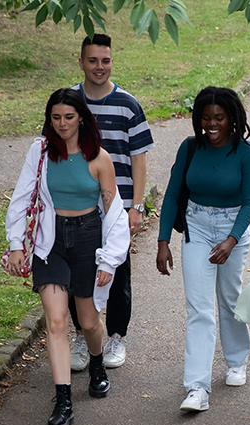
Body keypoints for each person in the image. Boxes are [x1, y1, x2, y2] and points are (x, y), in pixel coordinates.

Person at [3, 88, 131, 425]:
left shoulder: (99, 159)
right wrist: (17, 244)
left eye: (69, 117)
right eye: (55, 117)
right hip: (51, 240)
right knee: (57, 321)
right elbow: (22, 194)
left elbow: (115, 214)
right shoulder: (41, 152)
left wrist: (109, 260)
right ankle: (63, 401)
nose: (62, 124)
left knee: (88, 322)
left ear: (81, 119)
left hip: (88, 238)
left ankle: (96, 363)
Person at [155, 87, 250, 413]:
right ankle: (197, 388)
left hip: (233, 229)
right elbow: (172, 195)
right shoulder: (190, 148)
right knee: (198, 307)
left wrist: (231, 239)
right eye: (206, 118)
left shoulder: (246, 153)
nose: (212, 124)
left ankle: (236, 360)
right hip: (197, 228)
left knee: (229, 298)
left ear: (232, 119)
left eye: (219, 118)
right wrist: (163, 241)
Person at [66, 34, 154, 372]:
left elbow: (138, 160)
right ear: (81, 62)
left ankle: (116, 335)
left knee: (117, 272)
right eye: (92, 60)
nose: (99, 67)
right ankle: (81, 334)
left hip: (116, 207)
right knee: (78, 271)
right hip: (75, 206)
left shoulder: (128, 105)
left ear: (112, 62)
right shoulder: (70, 102)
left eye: (105, 60)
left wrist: (136, 206)